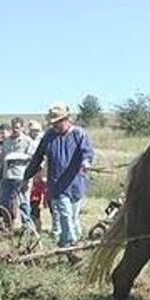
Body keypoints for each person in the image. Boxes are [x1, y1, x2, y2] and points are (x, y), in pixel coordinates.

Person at [24, 103, 94, 252]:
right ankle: (72, 247)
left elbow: (86, 152)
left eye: (58, 122)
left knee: (73, 218)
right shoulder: (49, 136)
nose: (55, 125)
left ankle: (64, 243)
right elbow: (37, 158)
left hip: (76, 184)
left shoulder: (79, 134)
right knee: (65, 215)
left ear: (67, 119)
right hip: (57, 184)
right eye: (53, 123)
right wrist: (27, 176)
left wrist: (86, 162)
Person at [0, 117, 33, 226]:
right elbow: (3, 156)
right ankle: (8, 224)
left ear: (22, 128)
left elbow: (32, 157)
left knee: (23, 201)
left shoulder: (27, 141)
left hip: (21, 175)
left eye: (17, 128)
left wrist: (17, 156)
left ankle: (26, 226)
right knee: (5, 201)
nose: (15, 130)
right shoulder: (6, 141)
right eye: (13, 128)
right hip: (7, 175)